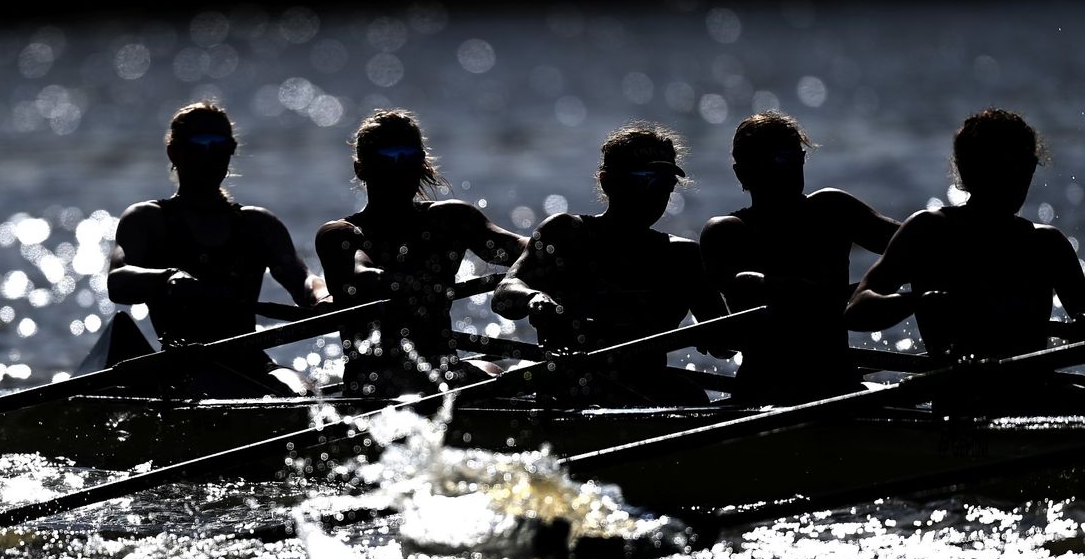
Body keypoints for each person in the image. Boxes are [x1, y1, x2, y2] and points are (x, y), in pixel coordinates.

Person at [845, 107, 1085, 415]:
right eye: (1007, 167)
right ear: (970, 171)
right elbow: (857, 310)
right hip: (961, 400)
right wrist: (916, 301)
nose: (1019, 179)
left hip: (1033, 396)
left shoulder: (1047, 244)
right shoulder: (929, 231)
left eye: (1026, 165)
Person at [491, 121, 728, 406]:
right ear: (608, 182)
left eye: (666, 183)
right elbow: (505, 294)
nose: (658, 193)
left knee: (691, 396)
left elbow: (724, 345)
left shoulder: (683, 257)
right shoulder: (566, 234)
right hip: (570, 388)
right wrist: (533, 298)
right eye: (645, 179)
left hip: (647, 388)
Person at [107, 100, 329, 396]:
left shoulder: (259, 224)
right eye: (199, 143)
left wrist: (322, 296)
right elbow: (117, 280)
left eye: (220, 145)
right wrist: (167, 279)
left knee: (305, 393)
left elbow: (301, 278)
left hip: (251, 362)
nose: (209, 155)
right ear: (174, 152)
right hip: (183, 364)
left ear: (231, 151)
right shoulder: (146, 220)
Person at [314, 108, 527, 397]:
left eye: (409, 157)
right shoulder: (340, 234)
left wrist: (560, 250)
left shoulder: (451, 220)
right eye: (386, 157)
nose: (398, 168)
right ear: (360, 169)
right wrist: (414, 285)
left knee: (501, 374)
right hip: (376, 382)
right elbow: (361, 274)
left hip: (443, 370)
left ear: (422, 164)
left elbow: (519, 248)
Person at [700, 110, 900, 404]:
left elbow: (916, 245)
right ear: (741, 173)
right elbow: (746, 294)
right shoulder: (727, 232)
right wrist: (853, 296)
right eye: (775, 160)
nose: (789, 167)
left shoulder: (832, 209)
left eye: (795, 156)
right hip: (764, 388)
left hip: (838, 382)